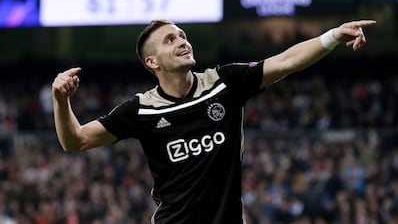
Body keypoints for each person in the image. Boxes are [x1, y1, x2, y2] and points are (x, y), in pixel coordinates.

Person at [52, 19, 376, 224]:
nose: (182, 41)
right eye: (169, 40)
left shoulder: (224, 83)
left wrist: (332, 36)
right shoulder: (141, 110)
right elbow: (76, 140)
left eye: (182, 35)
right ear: (151, 62)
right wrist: (61, 100)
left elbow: (286, 61)